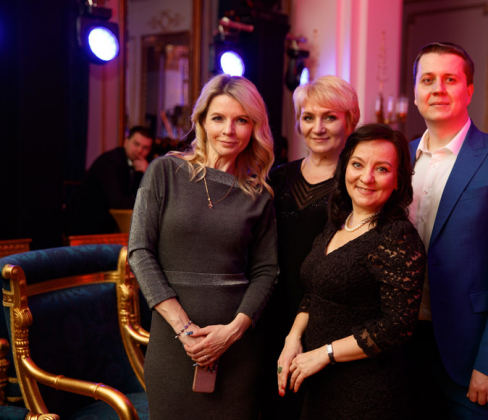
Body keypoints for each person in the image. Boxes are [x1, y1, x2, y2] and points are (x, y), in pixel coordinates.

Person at [128, 74, 278, 420]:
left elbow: (266, 270)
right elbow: (139, 250)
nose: (229, 130)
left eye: (242, 120)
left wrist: (233, 332)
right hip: (173, 344)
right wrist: (184, 329)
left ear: (254, 128)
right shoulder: (164, 171)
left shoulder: (259, 195)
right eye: (218, 118)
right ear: (202, 121)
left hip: (237, 351)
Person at [407, 42, 488, 419]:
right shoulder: (397, 158)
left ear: (469, 90)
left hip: (472, 353)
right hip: (403, 350)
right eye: (427, 80)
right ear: (415, 93)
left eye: (450, 79)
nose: (438, 89)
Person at [277, 123, 426, 420]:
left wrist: (325, 353)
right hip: (318, 379)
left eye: (381, 169)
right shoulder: (338, 222)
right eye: (358, 164)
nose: (366, 178)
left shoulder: (397, 236)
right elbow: (315, 290)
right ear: (345, 168)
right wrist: (292, 337)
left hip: (366, 389)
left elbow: (397, 327)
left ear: (398, 180)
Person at [261, 75, 360, 420]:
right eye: (308, 117)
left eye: (330, 117)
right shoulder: (276, 177)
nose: (318, 128)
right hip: (272, 313)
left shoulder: (357, 184)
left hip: (330, 318)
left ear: (350, 121)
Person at [64, 126, 154, 235]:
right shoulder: (109, 161)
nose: (140, 151)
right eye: (136, 144)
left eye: (145, 148)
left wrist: (147, 174)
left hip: (104, 226)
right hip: (83, 224)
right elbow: (117, 202)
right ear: (126, 142)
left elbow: (137, 195)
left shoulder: (140, 165)